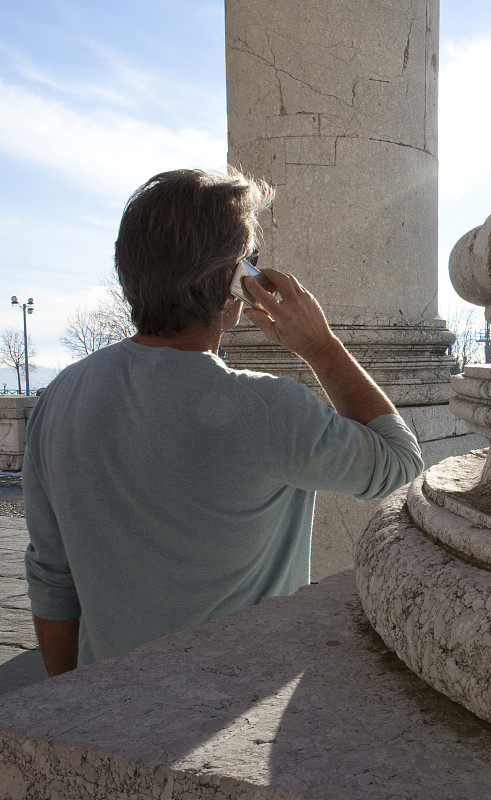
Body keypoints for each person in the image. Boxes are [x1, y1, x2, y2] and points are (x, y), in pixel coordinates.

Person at [23, 168, 424, 677]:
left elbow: (52, 576)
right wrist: (322, 348)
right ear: (233, 282)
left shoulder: (60, 398)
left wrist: (66, 703)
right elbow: (402, 464)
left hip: (109, 706)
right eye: (250, 261)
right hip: (228, 711)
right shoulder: (267, 409)